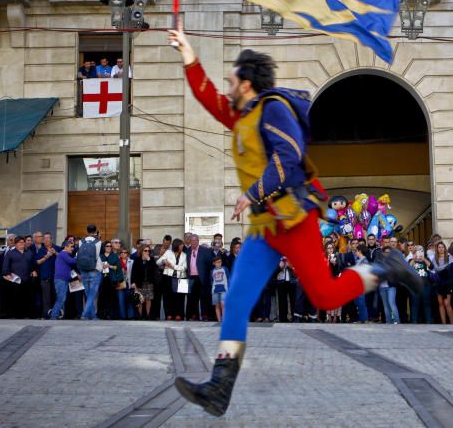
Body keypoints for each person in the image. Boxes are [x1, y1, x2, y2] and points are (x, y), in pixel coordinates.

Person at [168, 32, 422, 417]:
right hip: (264, 229)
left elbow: (288, 158)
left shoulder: (273, 109)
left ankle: (385, 268)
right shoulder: (241, 116)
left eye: (232, 81)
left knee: (324, 296)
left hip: (294, 219)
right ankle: (220, 387)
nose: (228, 88)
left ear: (247, 84)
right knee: (237, 299)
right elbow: (209, 99)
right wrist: (189, 56)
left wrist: (250, 193)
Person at [76, 225, 103, 320]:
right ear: (95, 231)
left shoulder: (81, 241)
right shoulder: (98, 242)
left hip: (83, 270)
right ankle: (84, 314)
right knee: (92, 295)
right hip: (94, 270)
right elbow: (97, 255)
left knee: (88, 294)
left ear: (86, 231)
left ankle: (93, 316)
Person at [157, 238, 189, 321]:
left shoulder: (184, 255)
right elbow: (158, 262)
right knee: (168, 296)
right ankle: (169, 314)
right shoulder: (168, 252)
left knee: (180, 297)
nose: (182, 247)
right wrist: (163, 260)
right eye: (181, 245)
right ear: (177, 246)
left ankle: (179, 314)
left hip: (182, 277)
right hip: (168, 277)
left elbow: (184, 267)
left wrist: (173, 267)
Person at [49, 239, 76, 320]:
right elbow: (72, 261)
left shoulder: (63, 254)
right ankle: (54, 315)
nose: (72, 248)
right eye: (71, 247)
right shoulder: (63, 254)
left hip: (62, 279)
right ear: (66, 247)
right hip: (61, 280)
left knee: (62, 298)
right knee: (61, 298)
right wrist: (80, 257)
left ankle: (57, 314)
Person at [132, 244, 159, 320]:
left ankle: (148, 315)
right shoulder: (137, 260)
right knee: (140, 299)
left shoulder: (151, 259)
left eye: (148, 251)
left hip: (149, 282)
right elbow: (133, 272)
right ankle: (140, 315)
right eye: (145, 250)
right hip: (139, 282)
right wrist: (133, 282)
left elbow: (154, 268)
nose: (147, 252)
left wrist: (149, 260)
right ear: (142, 251)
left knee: (148, 299)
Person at [211, 255, 229, 323]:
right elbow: (212, 280)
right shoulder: (212, 271)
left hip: (224, 289)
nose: (219, 263)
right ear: (214, 263)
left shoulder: (224, 269)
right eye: (217, 262)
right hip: (215, 290)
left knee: (223, 304)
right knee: (217, 305)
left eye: (220, 262)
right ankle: (219, 320)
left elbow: (228, 278)